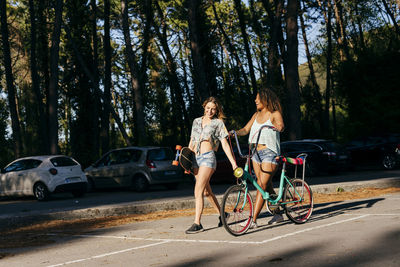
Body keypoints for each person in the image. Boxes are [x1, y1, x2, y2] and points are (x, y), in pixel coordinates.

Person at [185, 97, 238, 234]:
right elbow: (192, 141)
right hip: (196, 159)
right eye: (208, 108)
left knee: (198, 190)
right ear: (204, 107)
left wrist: (233, 164)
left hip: (208, 158)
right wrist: (186, 160)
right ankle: (223, 215)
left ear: (217, 110)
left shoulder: (218, 123)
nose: (210, 111)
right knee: (207, 192)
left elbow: (225, 144)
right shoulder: (196, 121)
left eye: (213, 109)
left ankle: (197, 223)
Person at [234, 89, 285, 228]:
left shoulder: (274, 114)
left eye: (258, 98)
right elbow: (245, 130)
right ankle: (278, 213)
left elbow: (281, 126)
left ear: (265, 99)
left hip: (269, 152)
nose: (255, 101)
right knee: (265, 186)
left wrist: (278, 127)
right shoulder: (256, 115)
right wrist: (233, 133)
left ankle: (253, 220)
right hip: (255, 154)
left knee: (261, 186)